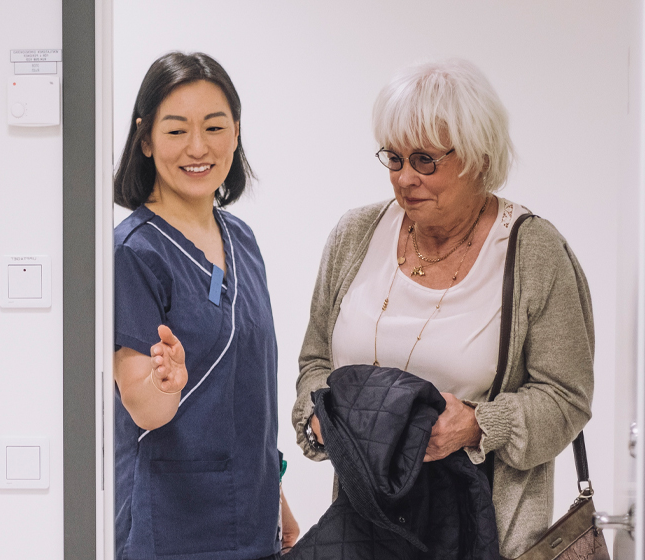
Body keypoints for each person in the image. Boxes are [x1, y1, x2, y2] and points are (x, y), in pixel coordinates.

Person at [289, 58, 596, 558]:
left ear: (477, 156)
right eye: (394, 159)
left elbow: (567, 398)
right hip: (366, 534)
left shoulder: (534, 252)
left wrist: (479, 425)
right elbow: (316, 361)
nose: (405, 178)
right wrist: (319, 415)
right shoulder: (354, 236)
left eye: (424, 160)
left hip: (485, 537)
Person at [111, 51, 294, 560]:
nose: (198, 147)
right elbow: (144, 408)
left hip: (253, 521)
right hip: (174, 530)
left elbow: (245, 395)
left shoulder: (242, 239)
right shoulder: (134, 253)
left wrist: (276, 500)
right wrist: (163, 384)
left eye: (214, 127)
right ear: (146, 139)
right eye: (176, 130)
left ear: (236, 133)